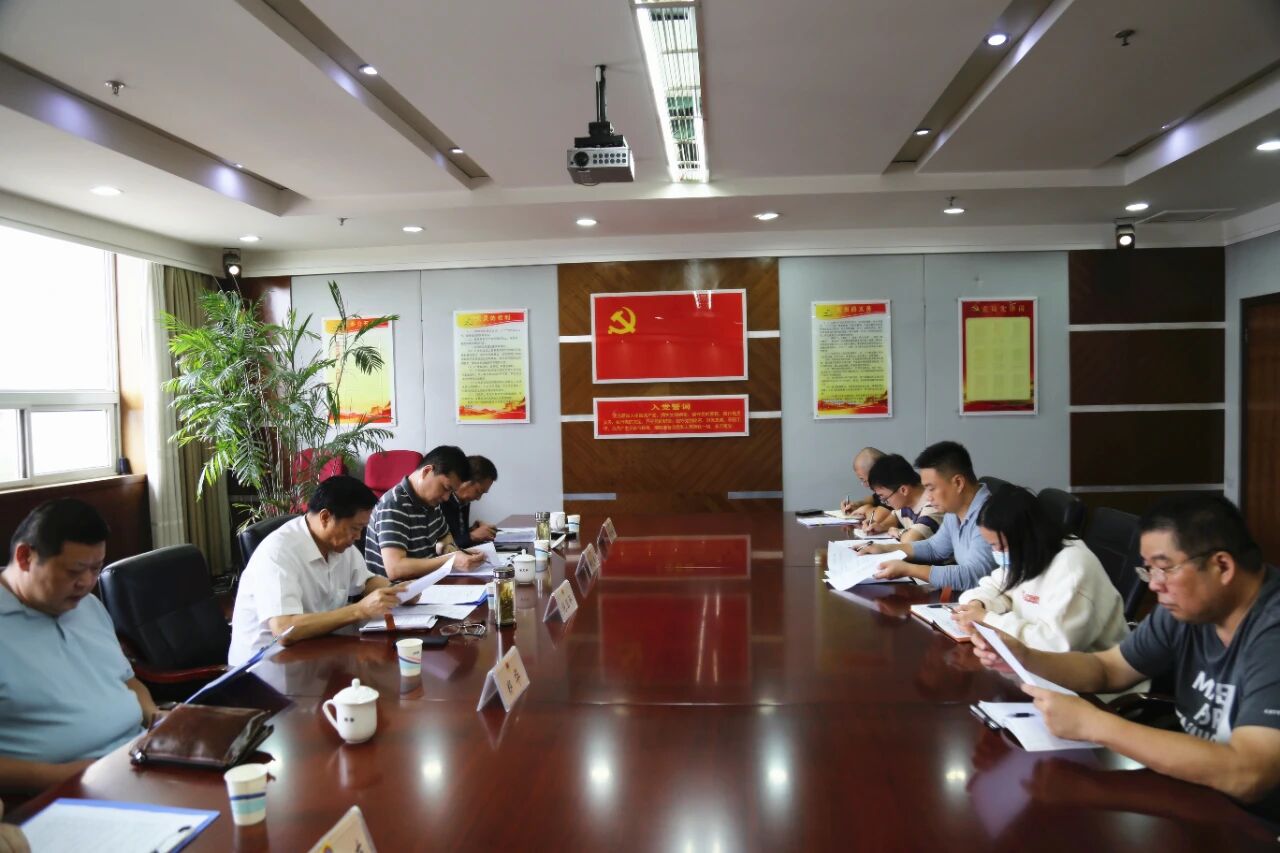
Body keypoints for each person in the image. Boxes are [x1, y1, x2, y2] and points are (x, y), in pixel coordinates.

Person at [970, 494, 1280, 821]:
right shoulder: (1186, 609)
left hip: (1255, 821)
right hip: (1198, 791)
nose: (1155, 586)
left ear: (1222, 566)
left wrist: (1095, 725)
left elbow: (1250, 775)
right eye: (1149, 571)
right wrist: (1025, 656)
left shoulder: (1270, 630)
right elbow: (1108, 668)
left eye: (1164, 569)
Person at [0, 499, 159, 794]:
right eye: (74, 571)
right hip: (57, 789)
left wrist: (155, 717)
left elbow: (126, 680)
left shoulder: (88, 605)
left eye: (95, 569)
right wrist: (52, 776)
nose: (86, 583)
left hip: (139, 759)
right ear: (25, 558)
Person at [228, 476, 403, 665]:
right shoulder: (278, 552)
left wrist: (398, 590)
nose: (358, 536)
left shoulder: (339, 545)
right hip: (263, 668)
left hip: (314, 653)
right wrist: (359, 610)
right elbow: (283, 630)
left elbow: (365, 581)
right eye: (355, 528)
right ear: (325, 517)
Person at [950, 486, 1128, 652]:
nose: (997, 553)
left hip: (1093, 668)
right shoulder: (1028, 555)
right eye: (992, 546)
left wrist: (986, 618)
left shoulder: (1072, 568)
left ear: (1025, 536)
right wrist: (977, 604)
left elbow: (1054, 645)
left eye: (1000, 546)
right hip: (1035, 661)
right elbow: (997, 586)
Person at [858, 440, 996, 590]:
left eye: (931, 488)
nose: (928, 497)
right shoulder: (955, 510)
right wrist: (884, 549)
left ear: (958, 483)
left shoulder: (989, 516)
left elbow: (974, 576)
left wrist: (908, 569)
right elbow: (934, 548)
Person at [364, 445, 486, 579]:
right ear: (427, 471)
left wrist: (456, 553)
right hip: (398, 589)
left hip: (428, 582)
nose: (446, 497)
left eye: (451, 492)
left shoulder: (432, 502)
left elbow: (445, 537)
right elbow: (395, 569)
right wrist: (451, 559)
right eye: (446, 488)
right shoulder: (393, 504)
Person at [863, 453, 944, 544]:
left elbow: (910, 540)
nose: (886, 503)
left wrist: (900, 532)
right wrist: (881, 526)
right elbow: (895, 516)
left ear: (903, 490)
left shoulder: (933, 505)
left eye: (885, 498)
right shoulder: (907, 502)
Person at [442, 455, 498, 550]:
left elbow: (457, 538)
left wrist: (472, 530)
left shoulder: (464, 501)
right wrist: (472, 536)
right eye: (478, 491)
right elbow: (441, 548)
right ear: (464, 481)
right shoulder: (441, 501)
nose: (478, 498)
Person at [839, 447, 892, 528]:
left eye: (864, 480)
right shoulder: (885, 484)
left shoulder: (893, 487)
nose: (865, 485)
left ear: (876, 473)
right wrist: (857, 504)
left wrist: (866, 509)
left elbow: (876, 518)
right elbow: (873, 499)